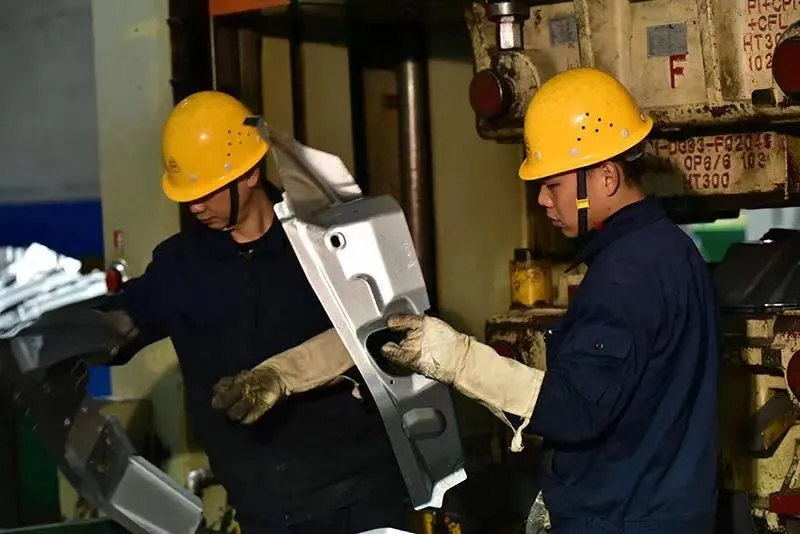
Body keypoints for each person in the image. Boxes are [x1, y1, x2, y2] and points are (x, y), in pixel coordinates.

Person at [379, 67, 721, 533]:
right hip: (660, 505)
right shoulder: (670, 248)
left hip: (622, 518)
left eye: (554, 184)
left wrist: (456, 359)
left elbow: (574, 409)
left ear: (606, 177)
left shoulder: (627, 274)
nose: (542, 199)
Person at [97, 90, 411, 533]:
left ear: (249, 174)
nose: (194, 206)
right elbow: (121, 323)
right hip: (263, 511)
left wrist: (286, 376)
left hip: (359, 499)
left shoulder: (326, 243)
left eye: (206, 191)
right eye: (188, 195)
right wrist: (58, 332)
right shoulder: (181, 267)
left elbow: (393, 334)